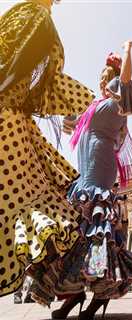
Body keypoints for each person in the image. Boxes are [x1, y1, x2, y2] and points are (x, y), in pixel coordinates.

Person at [31, 42, 132, 320]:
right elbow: (65, 118)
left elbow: (127, 79)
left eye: (107, 78)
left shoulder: (116, 103)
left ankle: (99, 294)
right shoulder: (92, 105)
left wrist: (128, 51)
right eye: (102, 78)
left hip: (100, 169)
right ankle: (76, 292)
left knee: (96, 234)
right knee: (75, 234)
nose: (102, 81)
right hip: (84, 172)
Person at [0, 0, 94, 298]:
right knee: (21, 205)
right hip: (11, 120)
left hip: (11, 120)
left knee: (20, 206)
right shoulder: (31, 16)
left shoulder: (29, 16)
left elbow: (29, 69)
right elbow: (40, 76)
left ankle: (58, 275)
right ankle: (59, 276)